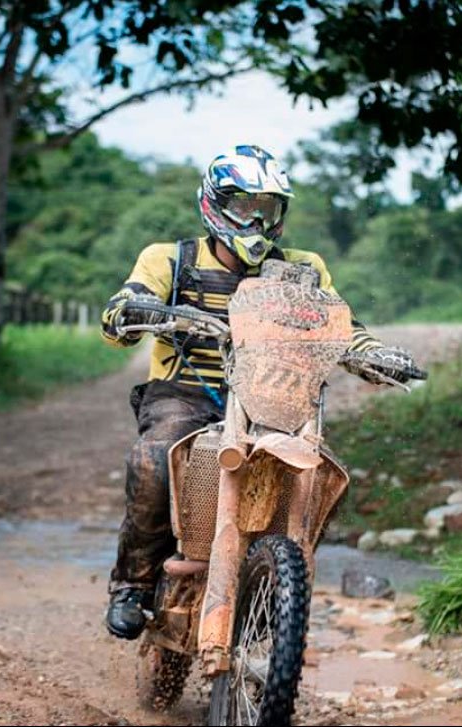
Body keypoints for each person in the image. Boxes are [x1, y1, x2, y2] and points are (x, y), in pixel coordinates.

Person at [99, 144, 421, 639]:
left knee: (316, 478)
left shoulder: (303, 267)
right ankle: (133, 585)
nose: (254, 222)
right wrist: (134, 310)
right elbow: (125, 304)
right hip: (184, 391)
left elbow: (339, 323)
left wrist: (374, 354)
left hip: (273, 396)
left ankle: (279, 584)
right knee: (154, 458)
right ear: (214, 204)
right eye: (243, 207)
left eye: (266, 210)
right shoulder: (171, 258)